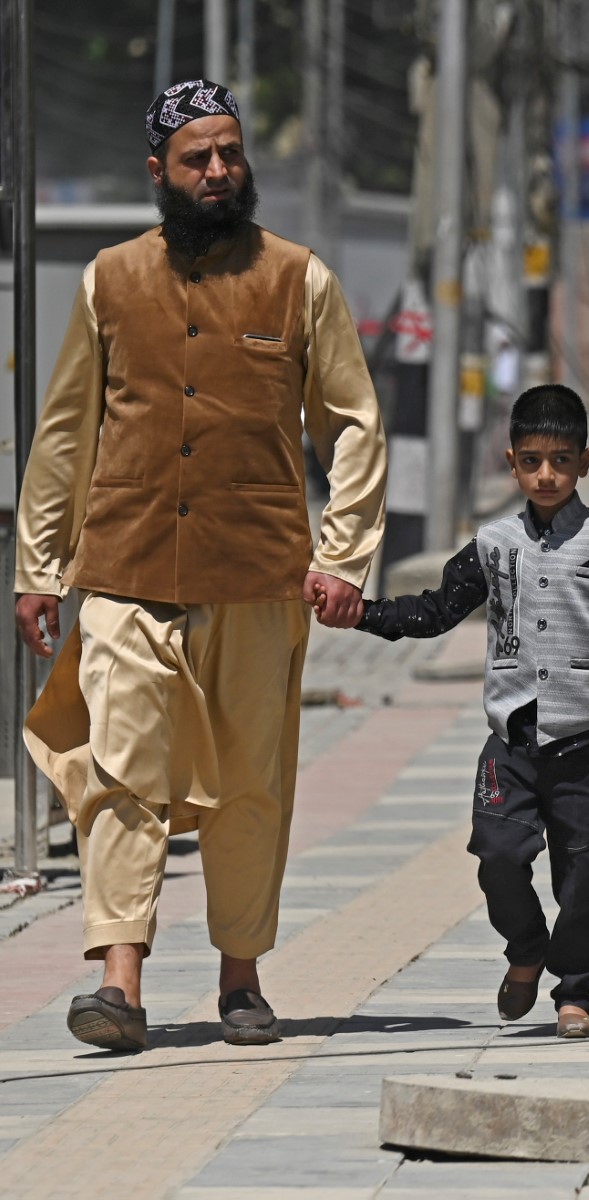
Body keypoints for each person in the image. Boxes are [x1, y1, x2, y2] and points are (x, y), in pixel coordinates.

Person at [11, 79, 387, 1051]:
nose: (218, 171)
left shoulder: (299, 279)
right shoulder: (109, 279)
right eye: (197, 158)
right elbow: (66, 431)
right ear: (159, 173)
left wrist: (344, 554)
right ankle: (121, 982)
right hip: (127, 568)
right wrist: (40, 564)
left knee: (252, 783)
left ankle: (241, 977)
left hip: (258, 574)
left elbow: (352, 421)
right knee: (121, 772)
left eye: (229, 153)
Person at [354, 385, 589, 1039]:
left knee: (581, 871)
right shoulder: (493, 543)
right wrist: (360, 613)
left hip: (587, 736)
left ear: (584, 461)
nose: (546, 474)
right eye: (531, 460)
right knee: (498, 857)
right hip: (512, 738)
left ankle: (574, 990)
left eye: (560, 460)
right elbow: (433, 610)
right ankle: (527, 947)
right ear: (511, 462)